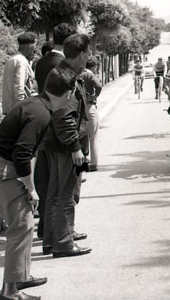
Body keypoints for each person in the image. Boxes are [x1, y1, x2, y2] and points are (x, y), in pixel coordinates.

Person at [0, 71, 77, 300]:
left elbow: (27, 153)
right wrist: (32, 190)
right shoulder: (40, 114)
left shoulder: (37, 105)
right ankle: (10, 292)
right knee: (21, 226)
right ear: (69, 93)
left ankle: (20, 276)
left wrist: (30, 185)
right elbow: (22, 153)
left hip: (0, 168)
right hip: (2, 171)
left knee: (25, 224)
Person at [41, 33, 92, 258]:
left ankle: (53, 239)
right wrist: (75, 147)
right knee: (66, 194)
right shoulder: (66, 78)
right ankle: (63, 243)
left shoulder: (63, 73)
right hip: (65, 146)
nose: (89, 56)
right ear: (81, 55)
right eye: (88, 53)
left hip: (57, 143)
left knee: (55, 193)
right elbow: (64, 116)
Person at [33, 23, 76, 239]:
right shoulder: (63, 65)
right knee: (60, 187)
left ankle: (47, 230)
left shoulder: (41, 61)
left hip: (44, 126)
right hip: (58, 126)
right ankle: (60, 232)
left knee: (47, 183)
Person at [1, 32, 38, 115]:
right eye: (34, 45)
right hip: (18, 109)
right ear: (29, 45)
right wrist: (21, 109)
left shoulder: (13, 59)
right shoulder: (21, 61)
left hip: (10, 107)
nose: (35, 48)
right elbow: (19, 87)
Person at [80, 56, 102, 171]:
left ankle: (83, 162)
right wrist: (95, 96)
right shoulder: (89, 75)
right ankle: (93, 164)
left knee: (81, 136)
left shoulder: (78, 73)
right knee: (93, 137)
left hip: (79, 108)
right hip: (89, 106)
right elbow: (98, 85)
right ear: (93, 66)